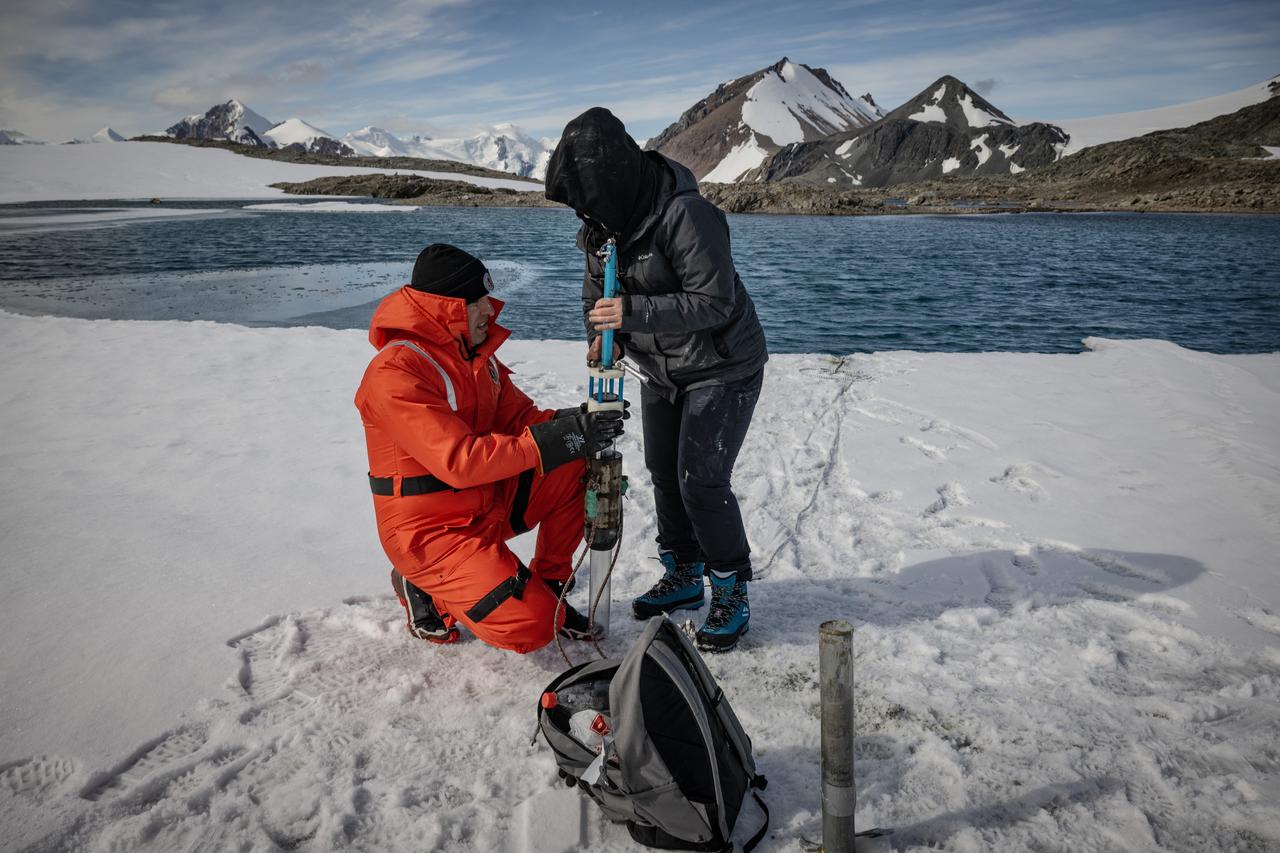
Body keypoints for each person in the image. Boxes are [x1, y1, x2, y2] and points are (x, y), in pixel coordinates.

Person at [544, 107, 769, 652]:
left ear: (615, 177)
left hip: (721, 366)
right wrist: (603, 342)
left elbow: (714, 301)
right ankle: (684, 573)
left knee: (701, 478)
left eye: (590, 200)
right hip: (660, 369)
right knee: (663, 472)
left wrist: (633, 314)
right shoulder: (602, 228)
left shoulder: (687, 215)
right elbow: (595, 303)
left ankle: (730, 588)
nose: (586, 213)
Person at [355, 243, 624, 654]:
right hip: (431, 534)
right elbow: (459, 460)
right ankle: (424, 583)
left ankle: (550, 584)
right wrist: (553, 438)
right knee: (533, 627)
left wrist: (574, 422)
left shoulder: (476, 358)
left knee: (571, 460)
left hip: (485, 505)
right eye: (477, 301)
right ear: (444, 305)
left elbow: (521, 422)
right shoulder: (396, 371)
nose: (491, 310)